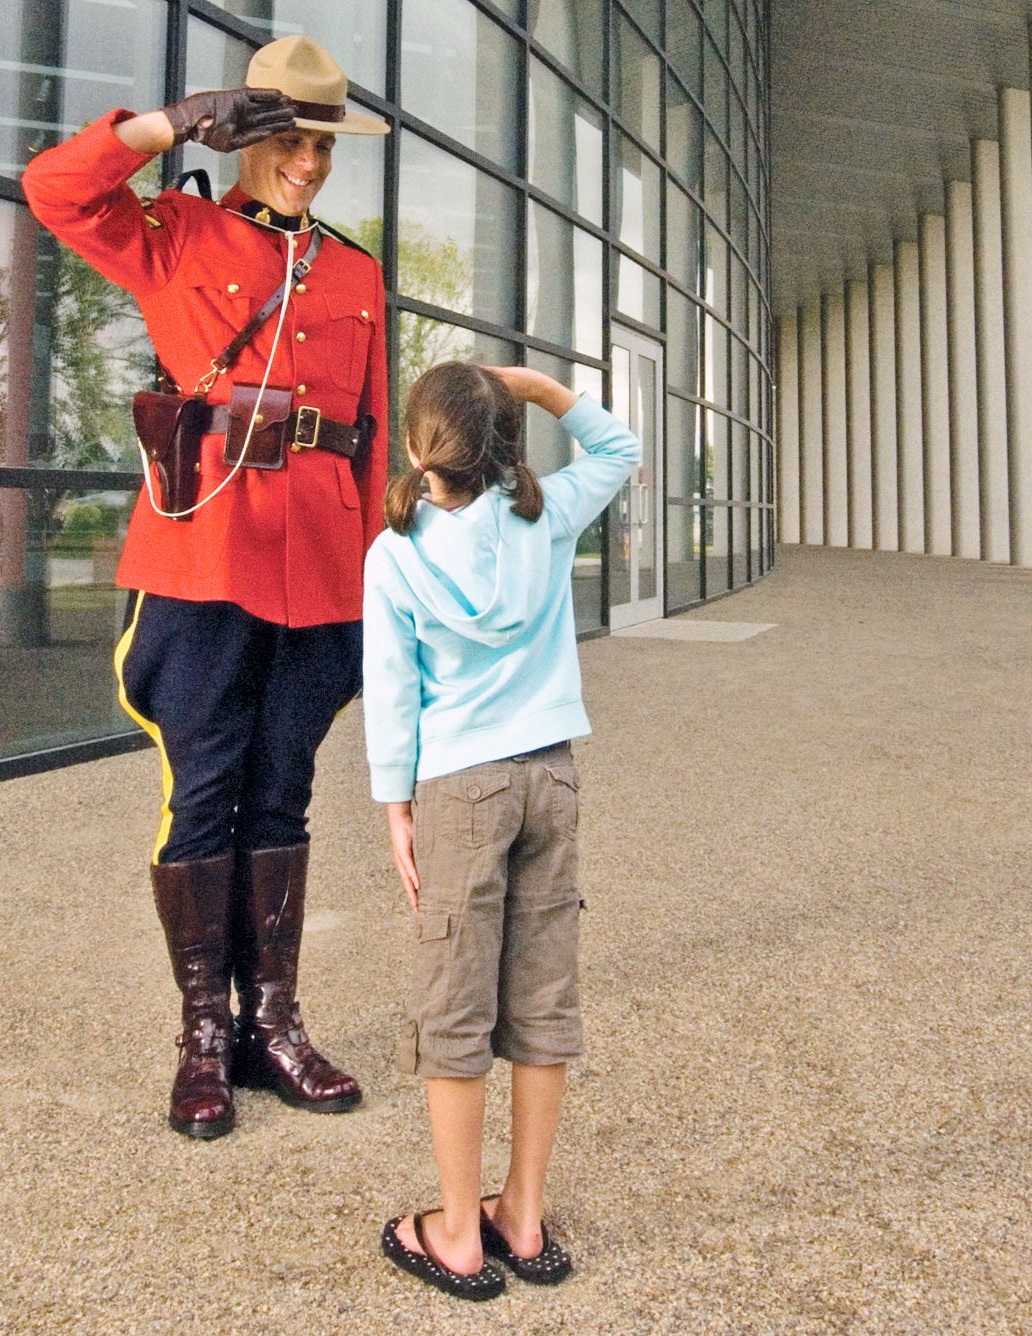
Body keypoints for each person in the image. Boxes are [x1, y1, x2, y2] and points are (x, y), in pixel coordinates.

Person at [20, 35, 387, 1139]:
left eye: (321, 141)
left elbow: (368, 440)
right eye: (286, 138)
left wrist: (378, 576)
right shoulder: (174, 233)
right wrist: (165, 125)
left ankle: (271, 1023)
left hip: (320, 563)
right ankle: (201, 1035)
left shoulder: (358, 272)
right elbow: (53, 189)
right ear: (242, 135)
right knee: (203, 791)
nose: (309, 163)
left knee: (284, 790)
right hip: (205, 547)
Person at [361, 362, 641, 1299]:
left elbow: (393, 696)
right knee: (542, 994)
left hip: (456, 788)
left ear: (416, 448)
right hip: (550, 776)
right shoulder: (544, 516)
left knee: (454, 1002)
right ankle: (521, 1213)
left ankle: (455, 1233)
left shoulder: (395, 553)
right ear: (507, 447)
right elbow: (620, 448)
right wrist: (547, 389)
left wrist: (393, 806)